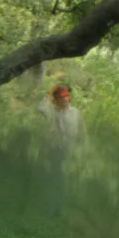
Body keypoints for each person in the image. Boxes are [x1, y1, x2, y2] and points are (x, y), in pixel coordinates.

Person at [37, 83, 86, 215]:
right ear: (56, 99)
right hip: (55, 151)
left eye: (66, 96)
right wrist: (49, 91)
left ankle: (66, 206)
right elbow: (41, 108)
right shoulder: (52, 111)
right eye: (61, 96)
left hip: (71, 151)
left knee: (68, 180)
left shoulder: (76, 113)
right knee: (56, 179)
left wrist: (82, 151)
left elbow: (82, 133)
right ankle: (54, 208)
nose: (64, 99)